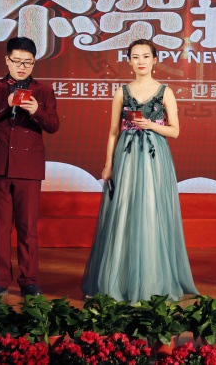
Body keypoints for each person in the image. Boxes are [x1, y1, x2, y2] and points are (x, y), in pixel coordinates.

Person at [81, 39, 197, 302]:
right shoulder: (122, 92)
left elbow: (175, 131)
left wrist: (151, 125)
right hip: (126, 157)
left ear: (155, 60)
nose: (141, 61)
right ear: (129, 61)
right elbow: (113, 131)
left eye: (146, 56)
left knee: (151, 211)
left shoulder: (165, 92)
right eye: (135, 57)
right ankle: (119, 280)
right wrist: (108, 164)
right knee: (124, 212)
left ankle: (152, 281)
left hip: (155, 159)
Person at [0, 36, 60, 299]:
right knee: (0, 228)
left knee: (27, 228)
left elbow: (53, 125)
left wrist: (36, 111)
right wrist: (5, 105)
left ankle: (29, 281)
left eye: (28, 62)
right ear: (7, 60)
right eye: (17, 61)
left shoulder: (43, 92)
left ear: (34, 63)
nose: (22, 67)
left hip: (28, 169)